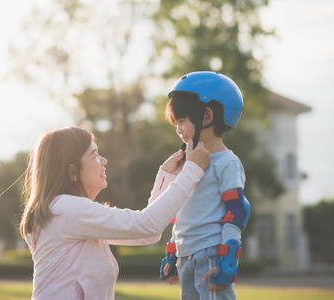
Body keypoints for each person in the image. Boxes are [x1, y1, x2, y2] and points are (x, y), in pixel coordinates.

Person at [19, 126, 210, 300]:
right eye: (94, 155)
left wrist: (166, 177)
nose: (104, 161)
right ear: (73, 172)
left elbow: (147, 233)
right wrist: (191, 170)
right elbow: (147, 225)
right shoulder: (68, 209)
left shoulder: (63, 210)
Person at [160, 71, 251, 300]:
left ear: (207, 116)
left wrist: (228, 258)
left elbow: (236, 211)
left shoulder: (227, 163)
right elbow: (180, 211)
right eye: (176, 123)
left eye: (181, 121)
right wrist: (172, 250)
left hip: (209, 254)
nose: (178, 129)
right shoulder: (187, 164)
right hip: (186, 255)